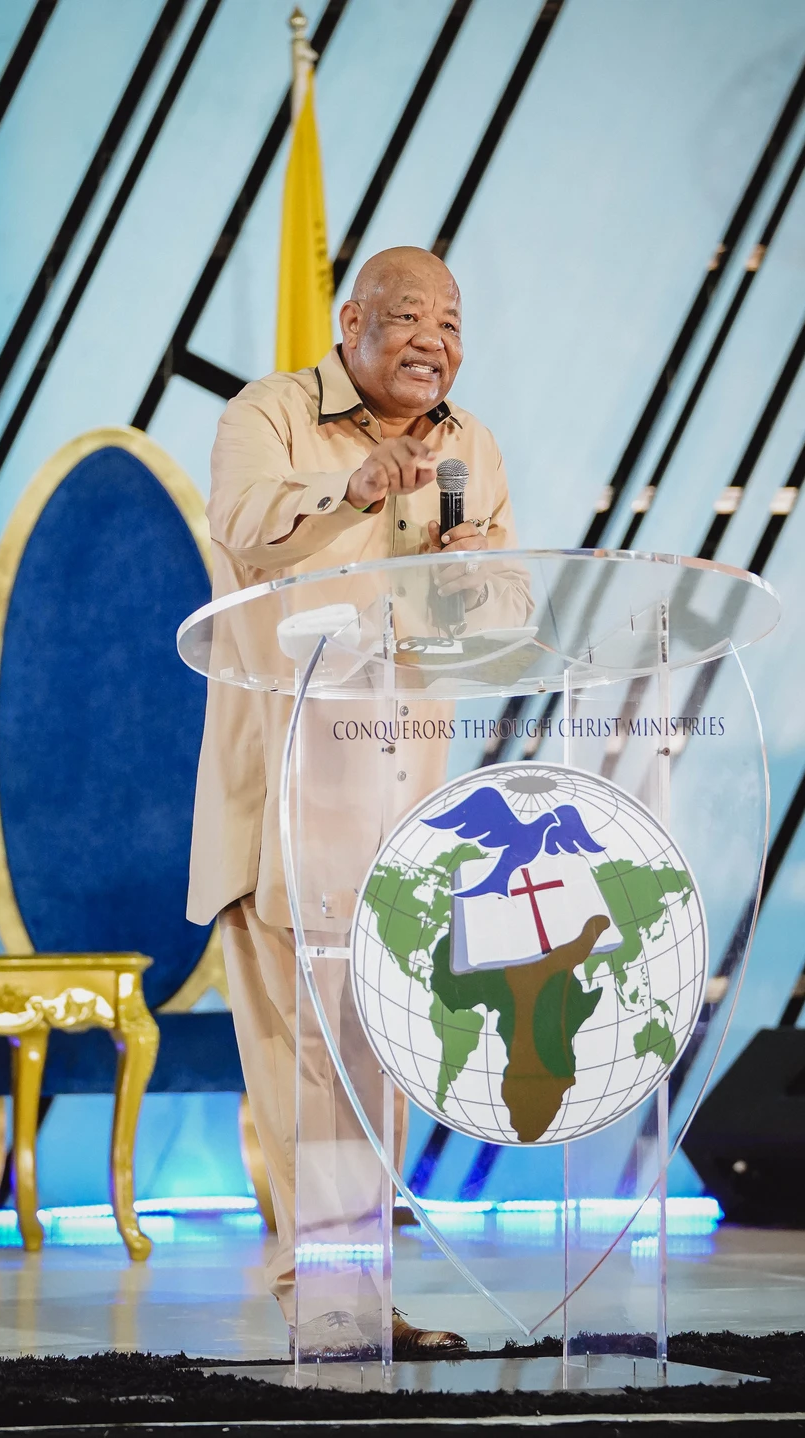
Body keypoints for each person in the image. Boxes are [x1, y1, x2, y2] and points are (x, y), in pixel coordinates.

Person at [188, 246, 520, 1356]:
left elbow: (507, 609)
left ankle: (362, 1297)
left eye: (452, 323)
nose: (435, 341)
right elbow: (243, 524)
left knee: (387, 1055)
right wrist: (357, 485)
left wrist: (473, 578)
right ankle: (328, 1300)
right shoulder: (270, 416)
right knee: (304, 1063)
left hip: (406, 801)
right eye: (411, 317)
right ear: (351, 321)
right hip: (288, 791)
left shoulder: (471, 446)